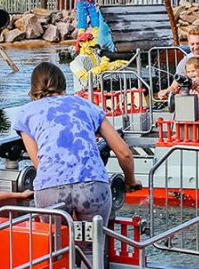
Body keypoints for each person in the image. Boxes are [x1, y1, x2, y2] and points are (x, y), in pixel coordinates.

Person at [12, 62, 141, 250]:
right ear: (63, 86)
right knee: (91, 251)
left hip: (51, 189)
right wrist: (130, 181)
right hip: (92, 186)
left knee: (56, 250)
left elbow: (39, 163)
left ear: (33, 89)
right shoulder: (86, 105)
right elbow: (124, 153)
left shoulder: (25, 114)